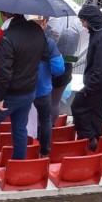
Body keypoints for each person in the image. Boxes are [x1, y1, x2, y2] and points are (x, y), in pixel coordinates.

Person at [0, 13, 50, 163]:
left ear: (5, 16)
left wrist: (0, 97)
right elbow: (44, 55)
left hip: (11, 93)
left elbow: (4, 71)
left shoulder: (8, 36)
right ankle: (18, 164)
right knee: (20, 129)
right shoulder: (37, 31)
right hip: (28, 91)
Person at [71, 4, 102, 150]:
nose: (83, 25)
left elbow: (101, 67)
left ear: (89, 20)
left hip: (96, 85)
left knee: (77, 106)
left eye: (83, 21)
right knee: (97, 111)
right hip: (101, 84)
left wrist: (88, 87)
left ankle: (90, 138)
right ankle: (96, 139)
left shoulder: (101, 37)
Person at [28, 17, 66, 156]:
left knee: (20, 120)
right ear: (44, 24)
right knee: (45, 120)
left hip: (22, 89)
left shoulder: (20, 41)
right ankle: (44, 152)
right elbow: (59, 68)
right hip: (42, 90)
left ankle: (23, 150)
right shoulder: (49, 44)